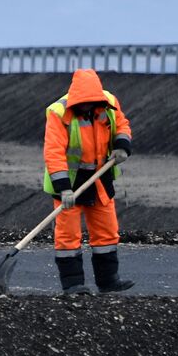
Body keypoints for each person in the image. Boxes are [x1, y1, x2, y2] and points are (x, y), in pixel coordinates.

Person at [43, 68, 135, 294]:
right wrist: (64, 189)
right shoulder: (58, 112)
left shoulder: (109, 103)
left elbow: (122, 125)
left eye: (90, 102)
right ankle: (73, 285)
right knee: (68, 236)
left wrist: (122, 145)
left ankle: (108, 281)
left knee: (107, 231)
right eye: (83, 103)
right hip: (69, 182)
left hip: (100, 178)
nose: (86, 107)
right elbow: (53, 153)